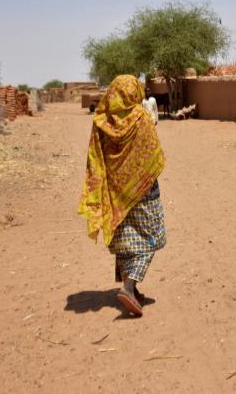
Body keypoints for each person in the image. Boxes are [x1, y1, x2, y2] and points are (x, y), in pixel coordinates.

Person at [78, 75, 167, 316]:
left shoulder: (101, 122)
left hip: (116, 193)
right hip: (144, 190)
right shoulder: (141, 119)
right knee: (151, 237)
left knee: (126, 239)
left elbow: (96, 158)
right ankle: (129, 286)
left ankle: (133, 291)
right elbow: (153, 154)